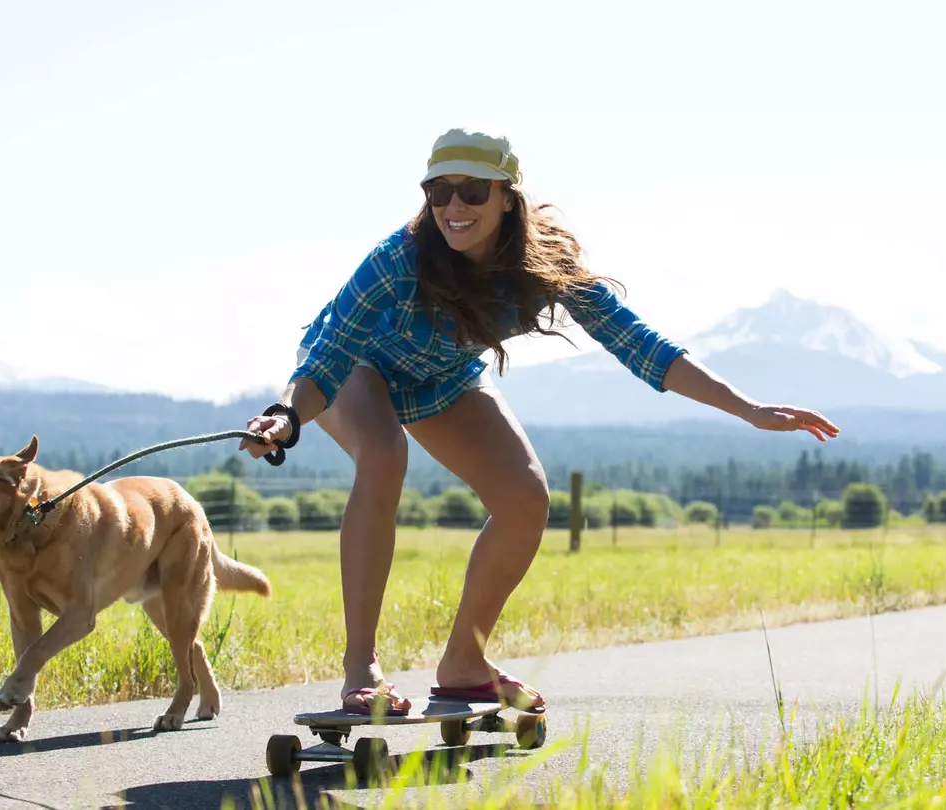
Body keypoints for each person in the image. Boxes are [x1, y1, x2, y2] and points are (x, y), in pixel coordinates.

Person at [239, 128, 840, 715]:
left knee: (526, 497)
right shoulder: (398, 259)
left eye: (473, 191)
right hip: (357, 365)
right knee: (383, 454)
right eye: (438, 192)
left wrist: (749, 409)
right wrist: (285, 416)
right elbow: (329, 358)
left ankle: (464, 664)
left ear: (508, 197)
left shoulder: (543, 261)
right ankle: (360, 670)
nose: (454, 206)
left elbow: (637, 344)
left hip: (443, 375)